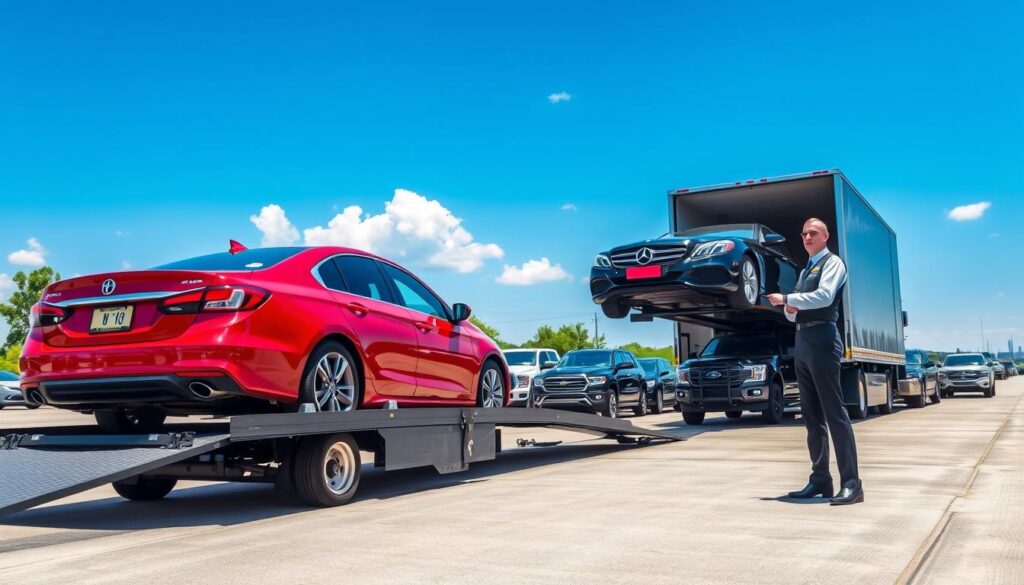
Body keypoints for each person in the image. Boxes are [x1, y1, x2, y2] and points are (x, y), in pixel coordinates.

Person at [767, 218, 863, 506]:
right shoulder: (806, 270)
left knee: (834, 413)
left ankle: (852, 484)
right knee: (811, 416)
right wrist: (790, 308)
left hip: (823, 337)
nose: (807, 237)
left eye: (813, 233)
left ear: (825, 236)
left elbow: (824, 297)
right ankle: (820, 478)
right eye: (804, 233)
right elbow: (793, 313)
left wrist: (787, 298)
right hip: (803, 341)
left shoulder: (833, 263)